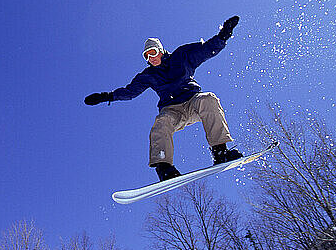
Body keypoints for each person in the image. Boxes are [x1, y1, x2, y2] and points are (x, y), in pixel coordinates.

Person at [84, 16, 242, 182]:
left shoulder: (181, 57)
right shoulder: (148, 75)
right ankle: (164, 167)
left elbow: (206, 50)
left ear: (160, 50)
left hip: (193, 102)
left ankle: (220, 152)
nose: (150, 58)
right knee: (162, 122)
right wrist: (107, 96)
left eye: (152, 52)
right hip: (172, 110)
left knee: (208, 99)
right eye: (146, 56)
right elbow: (130, 92)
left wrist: (224, 34)